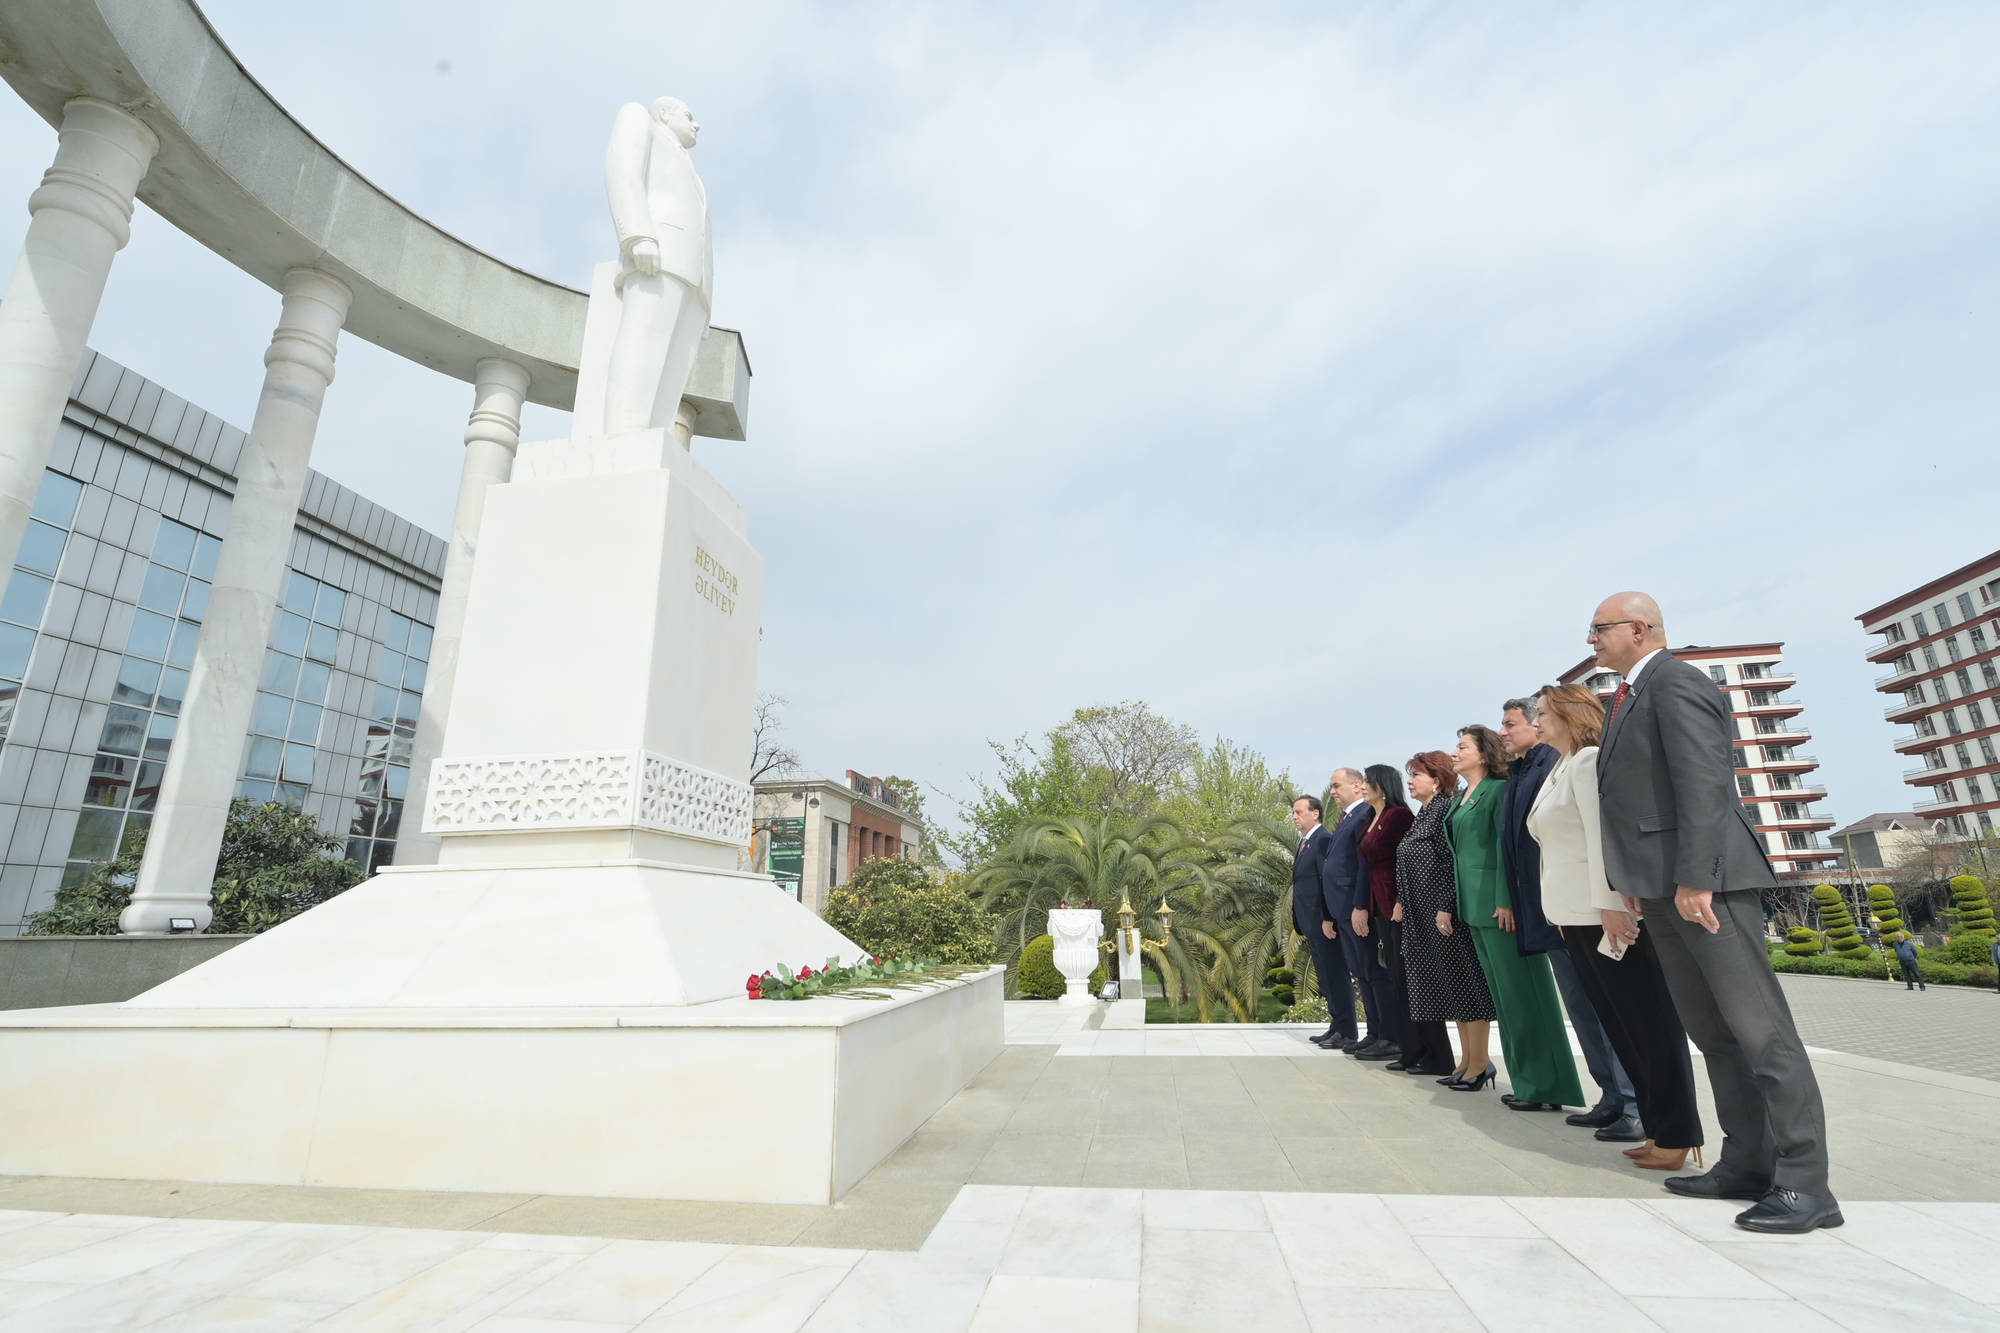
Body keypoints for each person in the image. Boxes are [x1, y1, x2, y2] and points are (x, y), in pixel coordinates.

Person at [1589, 591, 1838, 1233]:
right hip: (1666, 887)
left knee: (1762, 1034)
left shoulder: (1677, 682)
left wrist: (1698, 877)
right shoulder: (1630, 695)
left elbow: (1704, 782)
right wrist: (1642, 881)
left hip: (1708, 887)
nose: (1591, 640)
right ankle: (1747, 1162)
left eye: (1600, 629)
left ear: (1638, 629)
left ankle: (1807, 1184)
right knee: (1715, 1035)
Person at [1530, 683, 1706, 1172]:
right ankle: (1657, 1130)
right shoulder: (1558, 767)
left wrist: (1611, 904)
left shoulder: (1587, 762)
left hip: (1602, 914)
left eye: (1544, 713)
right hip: (1573, 917)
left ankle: (1677, 1135)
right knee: (1621, 1026)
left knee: (1647, 1024)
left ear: (1568, 714)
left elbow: (1601, 836)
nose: (1537, 720)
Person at [1499, 696, 1642, 1141]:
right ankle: (1612, 1096)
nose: (1504, 731)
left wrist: (1610, 902)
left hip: (1593, 908)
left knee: (1612, 1008)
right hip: (1559, 911)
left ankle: (1633, 1102)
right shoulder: (1543, 769)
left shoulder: (1576, 763)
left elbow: (1598, 838)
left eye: (1518, 721)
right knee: (1582, 1007)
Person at [1448, 725, 1584, 1112]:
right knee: (1507, 1002)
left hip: (1498, 908)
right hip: (1473, 908)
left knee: (1526, 999)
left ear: (1483, 752)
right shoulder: (1466, 795)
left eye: (1462, 746)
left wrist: (1506, 900)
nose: (1454, 752)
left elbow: (1504, 846)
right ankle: (1527, 1081)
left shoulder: (1497, 789)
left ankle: (1547, 1085)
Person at [1398, 750, 1494, 1083]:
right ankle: (1466, 1062)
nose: (1409, 781)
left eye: (1416, 775)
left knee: (1466, 987)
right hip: (1424, 917)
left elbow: (1449, 864)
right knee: (1451, 989)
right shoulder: (1422, 815)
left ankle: (1480, 1062)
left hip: (1444, 917)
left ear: (1437, 780)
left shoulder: (1442, 812)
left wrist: (1446, 906)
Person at [1356, 764, 1423, 1068]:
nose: (1363, 786)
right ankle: (1401, 1044)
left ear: (1382, 785)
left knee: (1402, 978)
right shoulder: (1372, 817)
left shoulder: (1399, 817)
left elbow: (1405, 861)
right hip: (1378, 906)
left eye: (1368, 782)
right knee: (1393, 975)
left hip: (1396, 905)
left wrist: (1401, 900)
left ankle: (1404, 1043)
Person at [1327, 769, 1396, 1060]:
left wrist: (1360, 906)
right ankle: (1375, 1032)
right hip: (1342, 909)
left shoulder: (1364, 815)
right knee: (1362, 973)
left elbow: (1361, 867)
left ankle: (1389, 1035)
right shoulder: (1347, 818)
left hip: (1357, 908)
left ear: (1358, 785)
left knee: (1374, 971)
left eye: (1336, 785)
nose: (1332, 791)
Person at [1290, 795, 1357, 1050]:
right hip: (1310, 921)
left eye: (1299, 812)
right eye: (1293, 813)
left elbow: (1327, 882)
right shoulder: (1306, 842)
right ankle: (1337, 1025)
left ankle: (1347, 1031)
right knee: (1326, 977)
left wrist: (1328, 917)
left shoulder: (1323, 840)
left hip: (1323, 922)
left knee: (1336, 974)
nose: (1295, 817)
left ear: (1315, 813)